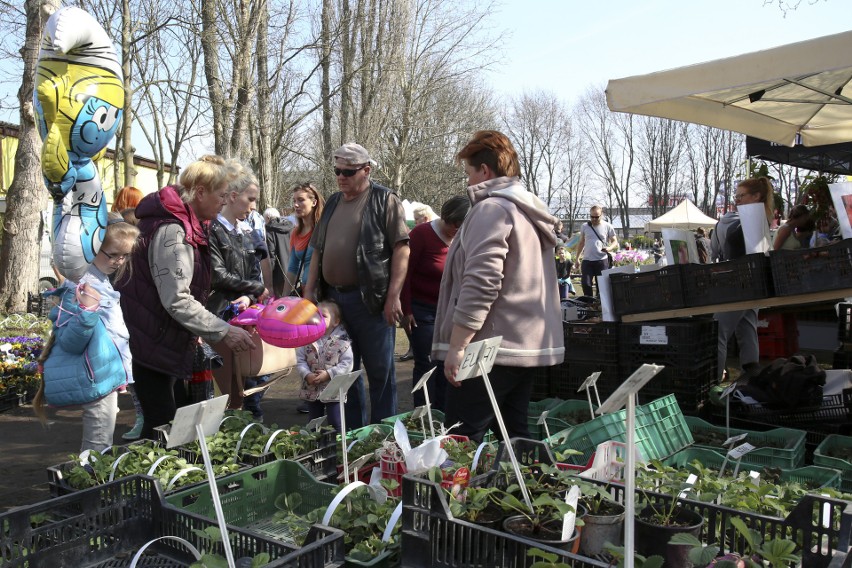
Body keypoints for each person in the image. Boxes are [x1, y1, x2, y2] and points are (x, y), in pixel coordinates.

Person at [433, 130, 565, 442]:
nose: (467, 182)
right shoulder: (528, 211)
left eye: (469, 173)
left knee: (461, 438)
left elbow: (482, 282)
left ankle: (456, 494)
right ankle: (532, 491)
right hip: (522, 343)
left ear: (485, 171)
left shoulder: (493, 209)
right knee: (514, 435)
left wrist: (458, 345)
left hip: (489, 347)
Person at [117, 155, 256, 440]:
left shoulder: (187, 222)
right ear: (201, 192)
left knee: (171, 422)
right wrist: (223, 331)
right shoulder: (172, 230)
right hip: (155, 340)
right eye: (220, 195)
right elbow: (177, 299)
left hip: (162, 338)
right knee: (162, 425)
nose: (223, 202)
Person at [303, 142, 410, 429]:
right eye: (337, 170)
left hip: (371, 301)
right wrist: (308, 290)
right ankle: (351, 437)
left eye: (348, 172)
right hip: (334, 303)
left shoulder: (385, 200)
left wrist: (393, 296)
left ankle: (384, 435)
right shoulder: (334, 203)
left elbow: (402, 249)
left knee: (380, 373)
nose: (341, 177)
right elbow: (317, 249)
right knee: (344, 372)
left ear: (366, 170)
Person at [35, 214, 139, 451]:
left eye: (125, 256)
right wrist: (87, 311)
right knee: (98, 443)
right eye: (112, 254)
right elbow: (69, 340)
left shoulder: (99, 279)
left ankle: (93, 481)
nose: (119, 261)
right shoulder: (80, 284)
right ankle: (92, 484)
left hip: (103, 372)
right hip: (95, 377)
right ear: (92, 248)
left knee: (101, 437)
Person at [207, 161, 268, 414]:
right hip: (221, 313)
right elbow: (217, 274)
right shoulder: (213, 230)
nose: (253, 206)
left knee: (250, 377)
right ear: (233, 197)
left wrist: (249, 294)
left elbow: (255, 268)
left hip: (246, 313)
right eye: (250, 199)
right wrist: (252, 288)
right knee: (228, 384)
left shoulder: (246, 231)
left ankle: (251, 425)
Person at [401, 195, 470, 411]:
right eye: (453, 225)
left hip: (450, 311)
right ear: (446, 218)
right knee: (426, 362)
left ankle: (442, 413)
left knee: (446, 363)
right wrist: (406, 309)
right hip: (422, 309)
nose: (455, 231)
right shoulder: (421, 234)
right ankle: (422, 413)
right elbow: (405, 274)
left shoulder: (465, 238)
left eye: (460, 227)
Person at [711, 176, 774, 381]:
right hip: (749, 280)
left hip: (740, 281)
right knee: (746, 330)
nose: (737, 200)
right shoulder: (754, 217)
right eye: (736, 196)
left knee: (719, 331)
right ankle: (751, 379)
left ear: (757, 196)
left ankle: (714, 380)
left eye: (741, 196)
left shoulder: (754, 219)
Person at [296, 301, 353, 432]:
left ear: (336, 322)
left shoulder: (342, 342)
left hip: (333, 390)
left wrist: (329, 374)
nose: (319, 318)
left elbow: (347, 364)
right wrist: (307, 374)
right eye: (317, 315)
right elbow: (300, 361)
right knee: (314, 420)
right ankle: (315, 444)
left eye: (324, 316)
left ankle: (339, 444)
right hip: (312, 387)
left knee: (335, 420)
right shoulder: (307, 338)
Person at [288, 183, 325, 295]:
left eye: (301, 200)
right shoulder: (295, 232)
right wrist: (284, 298)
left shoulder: (324, 229)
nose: (296, 205)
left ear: (314, 202)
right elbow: (293, 267)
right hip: (305, 293)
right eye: (294, 201)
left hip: (322, 293)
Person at [575, 205, 618, 297]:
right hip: (587, 260)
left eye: (596, 217)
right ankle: (589, 303)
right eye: (592, 216)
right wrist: (577, 258)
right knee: (586, 283)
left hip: (601, 260)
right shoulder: (585, 226)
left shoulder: (607, 226)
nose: (594, 219)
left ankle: (599, 305)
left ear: (601, 215)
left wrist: (609, 248)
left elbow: (615, 241)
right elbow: (581, 242)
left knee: (601, 286)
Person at [266, 209, 296, 298]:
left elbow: (271, 257)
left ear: (268, 218)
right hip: (295, 273)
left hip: (279, 275)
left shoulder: (269, 231)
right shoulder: (292, 228)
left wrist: (268, 278)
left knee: (281, 305)